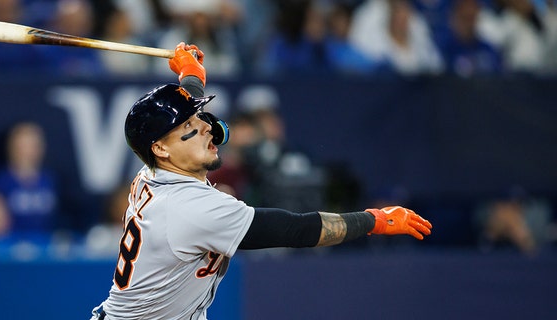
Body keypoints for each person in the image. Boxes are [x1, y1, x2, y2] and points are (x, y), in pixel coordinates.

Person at [90, 42, 433, 320]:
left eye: (200, 118)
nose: (208, 127)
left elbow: (178, 117)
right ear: (161, 148)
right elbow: (297, 230)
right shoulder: (192, 208)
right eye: (190, 129)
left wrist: (191, 73)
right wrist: (375, 219)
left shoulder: (152, 171)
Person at [0, 121, 59, 237]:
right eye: (22, 145)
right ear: (12, 147)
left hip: (44, 247)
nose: (27, 151)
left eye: (32, 145)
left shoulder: (49, 180)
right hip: (9, 248)